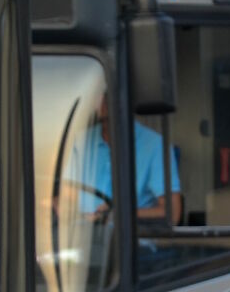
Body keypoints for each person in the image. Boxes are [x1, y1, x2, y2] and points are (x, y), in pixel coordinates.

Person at [75, 92, 182, 225]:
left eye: (106, 93)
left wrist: (115, 215)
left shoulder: (155, 145)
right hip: (77, 238)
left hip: (129, 241)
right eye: (97, 92)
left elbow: (172, 213)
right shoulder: (78, 142)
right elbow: (64, 194)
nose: (99, 99)